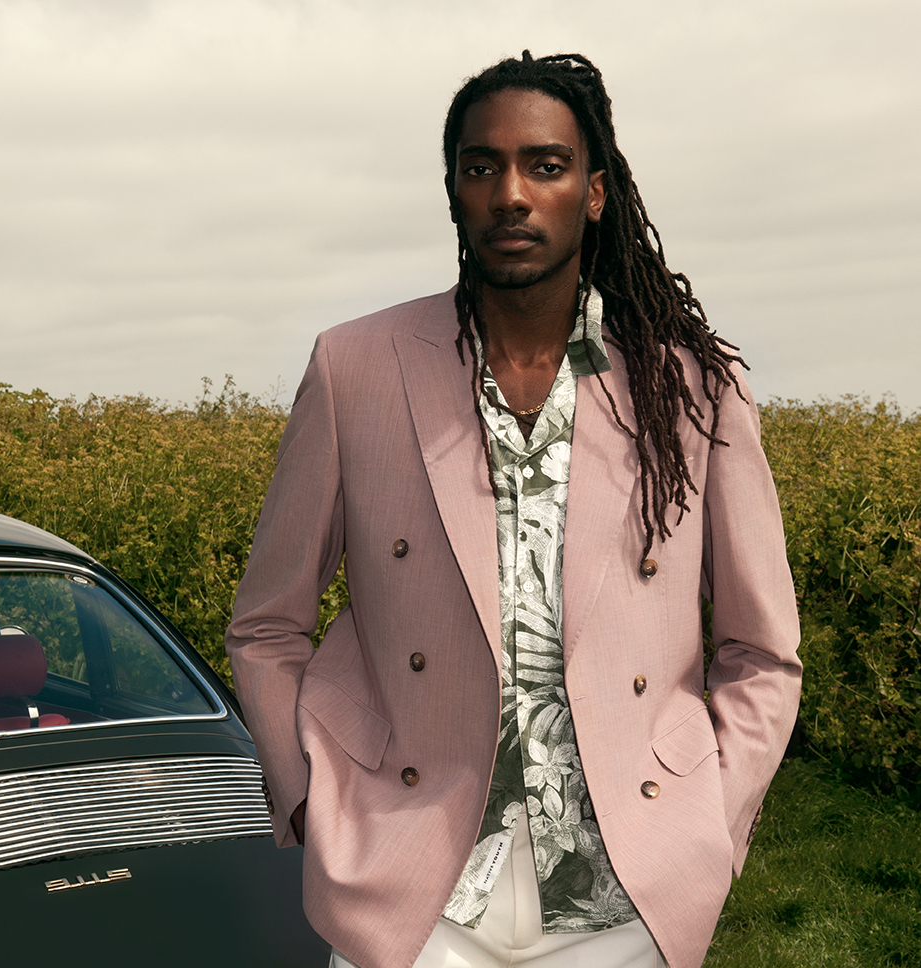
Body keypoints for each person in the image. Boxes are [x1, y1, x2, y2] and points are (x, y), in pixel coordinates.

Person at [225, 51, 801, 968]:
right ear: (453, 192)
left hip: (628, 892)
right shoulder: (355, 367)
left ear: (594, 191)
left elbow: (761, 651)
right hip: (409, 884)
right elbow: (266, 625)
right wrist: (307, 797)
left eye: (545, 165)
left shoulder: (692, 390)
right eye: (480, 166)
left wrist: (710, 826)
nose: (511, 195)